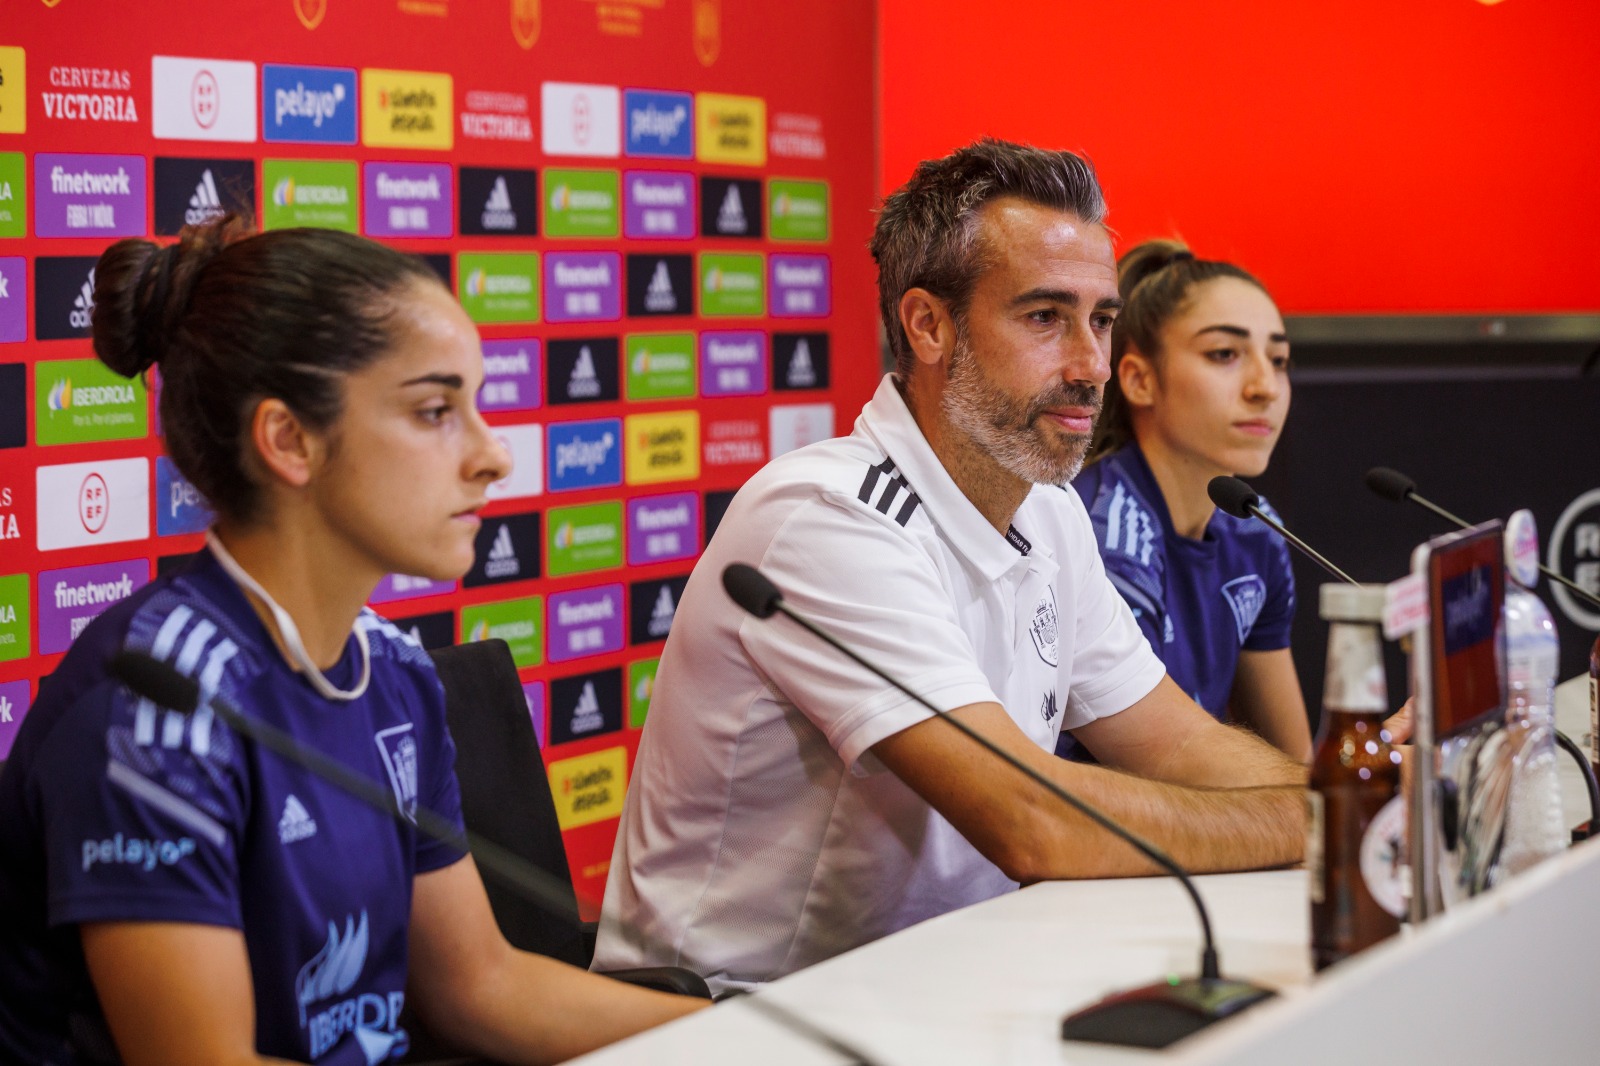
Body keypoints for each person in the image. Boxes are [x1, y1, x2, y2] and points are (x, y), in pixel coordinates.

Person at [592, 140, 1306, 996]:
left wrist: (1344, 807)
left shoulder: (1048, 507)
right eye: (1045, 318)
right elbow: (1030, 821)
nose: (1088, 366)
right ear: (927, 325)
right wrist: (1320, 821)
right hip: (733, 1025)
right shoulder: (830, 518)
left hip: (947, 988)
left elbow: (1180, 743)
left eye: (1101, 320)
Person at [0, 219, 700, 1065]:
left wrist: (749, 1038)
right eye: (436, 411)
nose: (493, 455)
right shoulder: (150, 712)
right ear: (290, 440)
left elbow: (482, 988)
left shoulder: (393, 674)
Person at [1059, 240, 1311, 764]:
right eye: (1225, 354)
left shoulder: (1256, 530)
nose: (1265, 387)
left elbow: (1293, 767)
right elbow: (1155, 778)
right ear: (1138, 380)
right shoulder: (1107, 538)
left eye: (1280, 359)